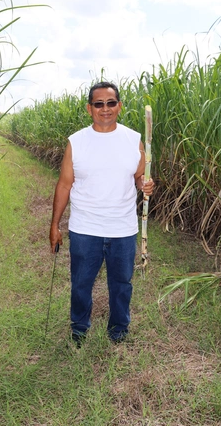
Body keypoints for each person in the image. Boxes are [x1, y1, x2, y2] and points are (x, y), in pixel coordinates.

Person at [49, 81, 155, 346]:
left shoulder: (134, 140)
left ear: (119, 106)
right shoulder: (77, 142)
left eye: (110, 103)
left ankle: (119, 330)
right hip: (85, 228)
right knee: (81, 283)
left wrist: (145, 184)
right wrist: (55, 224)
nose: (105, 109)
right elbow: (64, 184)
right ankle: (79, 329)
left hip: (123, 228)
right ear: (89, 108)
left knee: (121, 284)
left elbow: (139, 175)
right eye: (99, 104)